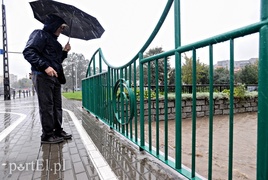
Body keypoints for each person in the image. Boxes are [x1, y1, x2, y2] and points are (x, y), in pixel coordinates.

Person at [23, 14, 72, 144]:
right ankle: (47, 135)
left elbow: (57, 61)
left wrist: (65, 52)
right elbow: (29, 52)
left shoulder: (55, 42)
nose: (62, 30)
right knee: (47, 106)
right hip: (42, 75)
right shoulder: (39, 34)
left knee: (57, 105)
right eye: (61, 27)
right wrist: (45, 67)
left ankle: (57, 130)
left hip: (55, 77)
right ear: (54, 25)